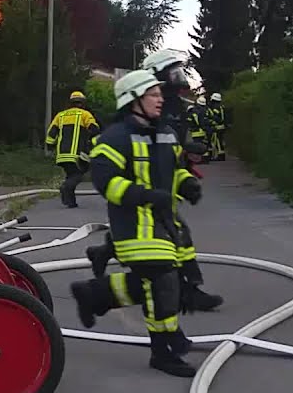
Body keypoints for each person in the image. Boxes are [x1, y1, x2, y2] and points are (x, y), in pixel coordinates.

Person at [70, 69, 204, 377]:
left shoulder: (165, 133)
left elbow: (172, 171)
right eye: (153, 95)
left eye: (159, 94)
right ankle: (164, 350)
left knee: (152, 284)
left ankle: (94, 294)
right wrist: (144, 196)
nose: (160, 99)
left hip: (163, 224)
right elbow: (106, 182)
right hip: (134, 227)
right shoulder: (114, 138)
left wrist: (185, 183)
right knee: (166, 283)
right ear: (133, 100)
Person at [85, 49, 223, 313]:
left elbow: (171, 140)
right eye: (172, 73)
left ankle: (105, 256)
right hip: (143, 187)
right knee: (171, 240)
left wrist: (184, 170)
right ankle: (185, 292)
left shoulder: (171, 105)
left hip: (162, 181)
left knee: (176, 233)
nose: (177, 79)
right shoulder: (148, 108)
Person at [45, 90, 101, 208]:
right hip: (78, 154)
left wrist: (50, 147)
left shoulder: (60, 116)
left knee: (71, 174)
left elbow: (51, 134)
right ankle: (65, 188)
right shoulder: (85, 115)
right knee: (78, 174)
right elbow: (95, 130)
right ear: (82, 103)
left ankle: (71, 202)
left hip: (62, 154)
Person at [206, 92, 228, 160]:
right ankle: (221, 154)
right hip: (222, 126)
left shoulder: (216, 107)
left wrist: (211, 119)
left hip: (218, 127)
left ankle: (220, 155)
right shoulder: (221, 107)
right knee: (220, 141)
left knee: (217, 141)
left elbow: (216, 117)